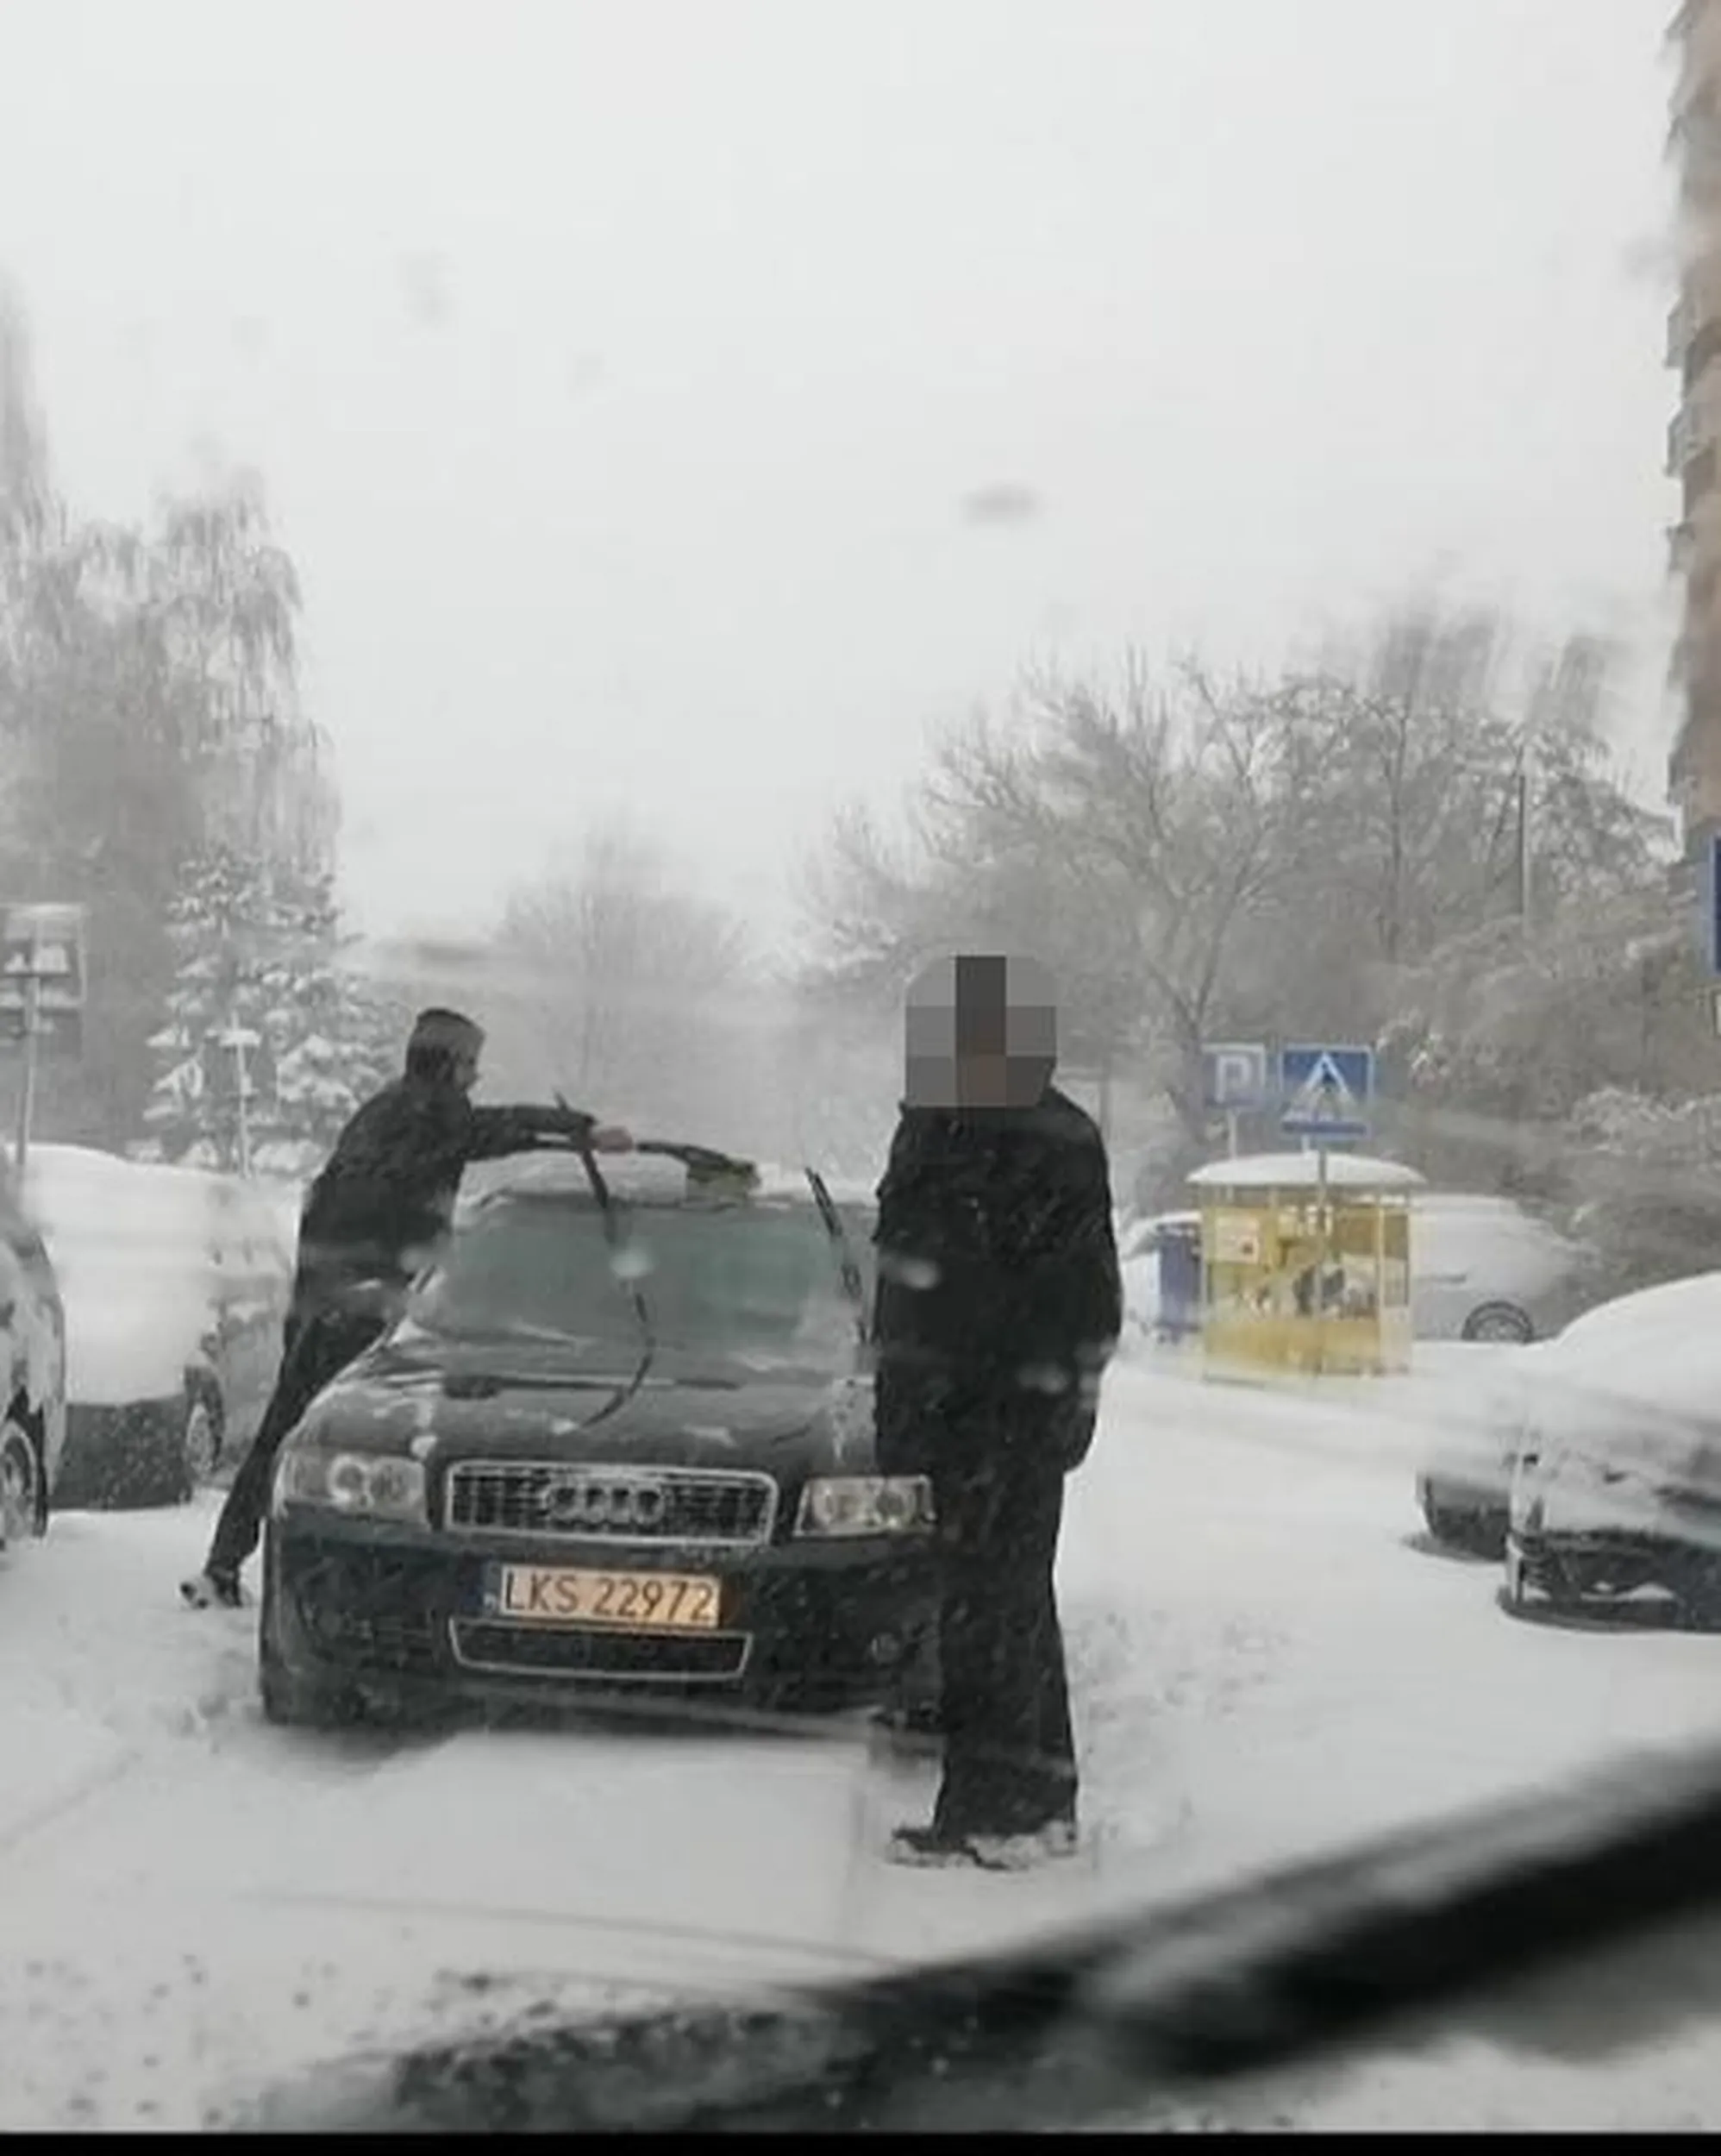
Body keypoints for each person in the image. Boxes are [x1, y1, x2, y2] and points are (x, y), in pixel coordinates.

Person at [180, 1006, 631, 1609]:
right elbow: (506, 1128)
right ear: (447, 1064)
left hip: (324, 1302)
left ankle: (223, 1565)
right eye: (470, 1063)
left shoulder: (378, 1112)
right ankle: (358, 1589)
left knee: (283, 1438)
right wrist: (584, 1128)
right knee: (388, 1453)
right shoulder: (434, 1113)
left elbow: (322, 1207)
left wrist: (304, 1314)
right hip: (375, 1314)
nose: (475, 1077)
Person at [872, 953, 1122, 1870]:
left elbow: (1082, 1294)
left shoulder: (1033, 1134)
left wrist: (1058, 1405)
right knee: (996, 1611)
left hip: (1001, 1415)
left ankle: (1003, 1810)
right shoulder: (942, 1126)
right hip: (961, 1412)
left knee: (993, 1614)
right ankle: (1015, 1802)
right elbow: (906, 1294)